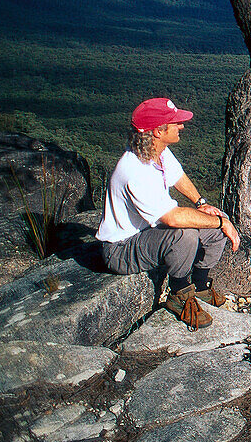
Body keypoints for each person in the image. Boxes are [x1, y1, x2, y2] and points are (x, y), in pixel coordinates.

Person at [96, 97, 240, 330]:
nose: (181, 126)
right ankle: (179, 294)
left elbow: (178, 177)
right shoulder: (135, 171)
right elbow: (172, 218)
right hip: (120, 249)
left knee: (213, 227)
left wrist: (201, 202)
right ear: (157, 132)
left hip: (147, 234)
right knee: (185, 234)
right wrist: (220, 222)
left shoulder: (158, 152)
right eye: (175, 123)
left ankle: (201, 287)